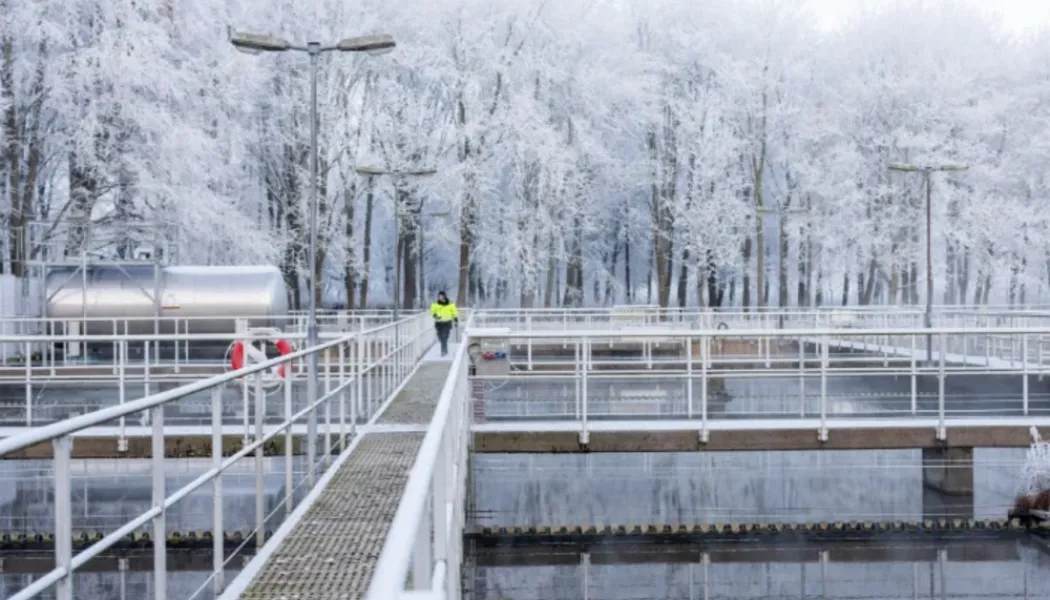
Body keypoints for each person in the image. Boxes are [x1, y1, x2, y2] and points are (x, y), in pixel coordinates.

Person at [430, 290, 459, 356]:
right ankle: (444, 349)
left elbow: (454, 312)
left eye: (441, 296)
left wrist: (456, 320)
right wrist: (436, 316)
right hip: (439, 323)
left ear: (444, 296)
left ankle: (443, 351)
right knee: (440, 337)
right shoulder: (435, 304)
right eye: (439, 296)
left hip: (447, 323)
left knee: (444, 336)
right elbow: (432, 312)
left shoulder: (450, 304)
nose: (440, 297)